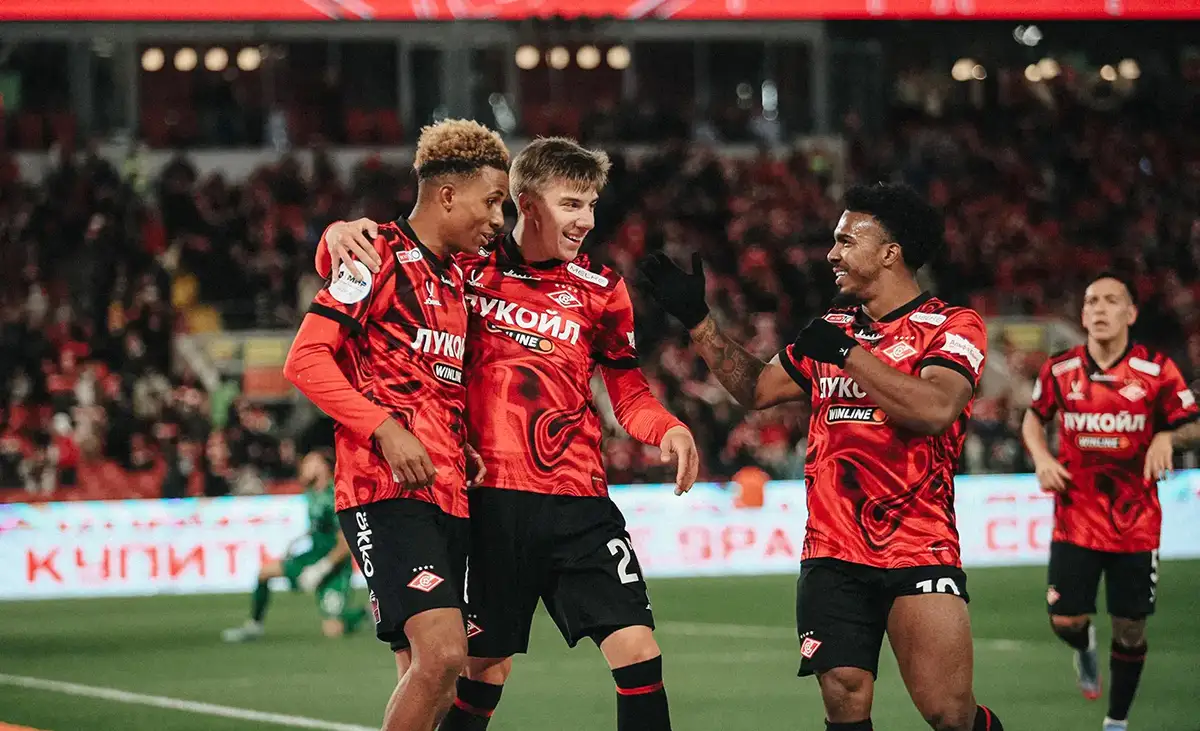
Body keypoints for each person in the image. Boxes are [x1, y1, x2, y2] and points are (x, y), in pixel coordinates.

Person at [317, 136, 700, 731]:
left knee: (638, 650)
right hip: (488, 502)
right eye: (571, 204)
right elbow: (381, 265)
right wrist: (336, 233)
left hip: (579, 501)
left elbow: (627, 391)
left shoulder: (602, 289)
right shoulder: (464, 266)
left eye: (592, 206)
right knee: (481, 669)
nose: (586, 220)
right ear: (527, 203)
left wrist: (667, 428)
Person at [637, 182, 1003, 731]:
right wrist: (699, 321)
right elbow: (758, 388)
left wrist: (850, 355)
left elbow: (935, 408)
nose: (832, 254)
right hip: (831, 549)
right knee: (844, 694)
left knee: (949, 713)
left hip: (917, 545)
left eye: (846, 241)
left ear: (890, 252)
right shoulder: (835, 327)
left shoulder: (950, 325)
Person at [284, 119, 508, 731]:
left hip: (449, 492)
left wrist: (461, 441)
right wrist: (386, 428)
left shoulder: (458, 277)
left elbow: (435, 381)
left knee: (432, 676)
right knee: (444, 653)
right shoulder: (375, 253)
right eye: (491, 201)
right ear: (446, 194)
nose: (498, 219)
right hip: (384, 490)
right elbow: (305, 359)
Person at [1021, 273, 1200, 731]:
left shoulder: (1157, 370)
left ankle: (1116, 722)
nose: (1100, 309)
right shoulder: (1060, 370)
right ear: (1082, 315)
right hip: (1075, 517)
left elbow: (1193, 423)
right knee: (1066, 620)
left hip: (1135, 523)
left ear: (1130, 313)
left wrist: (1167, 436)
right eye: (1092, 301)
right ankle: (1084, 647)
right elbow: (1033, 419)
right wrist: (1042, 458)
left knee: (1131, 629)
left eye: (1111, 300)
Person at [221, 450, 366, 642]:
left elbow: (346, 542)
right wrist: (297, 541)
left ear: (323, 467)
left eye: (310, 462)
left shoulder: (336, 495)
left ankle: (365, 614)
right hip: (312, 555)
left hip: (334, 566)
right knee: (264, 572)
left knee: (333, 629)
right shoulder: (312, 493)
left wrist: (321, 569)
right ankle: (255, 625)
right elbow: (320, 527)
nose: (304, 467)